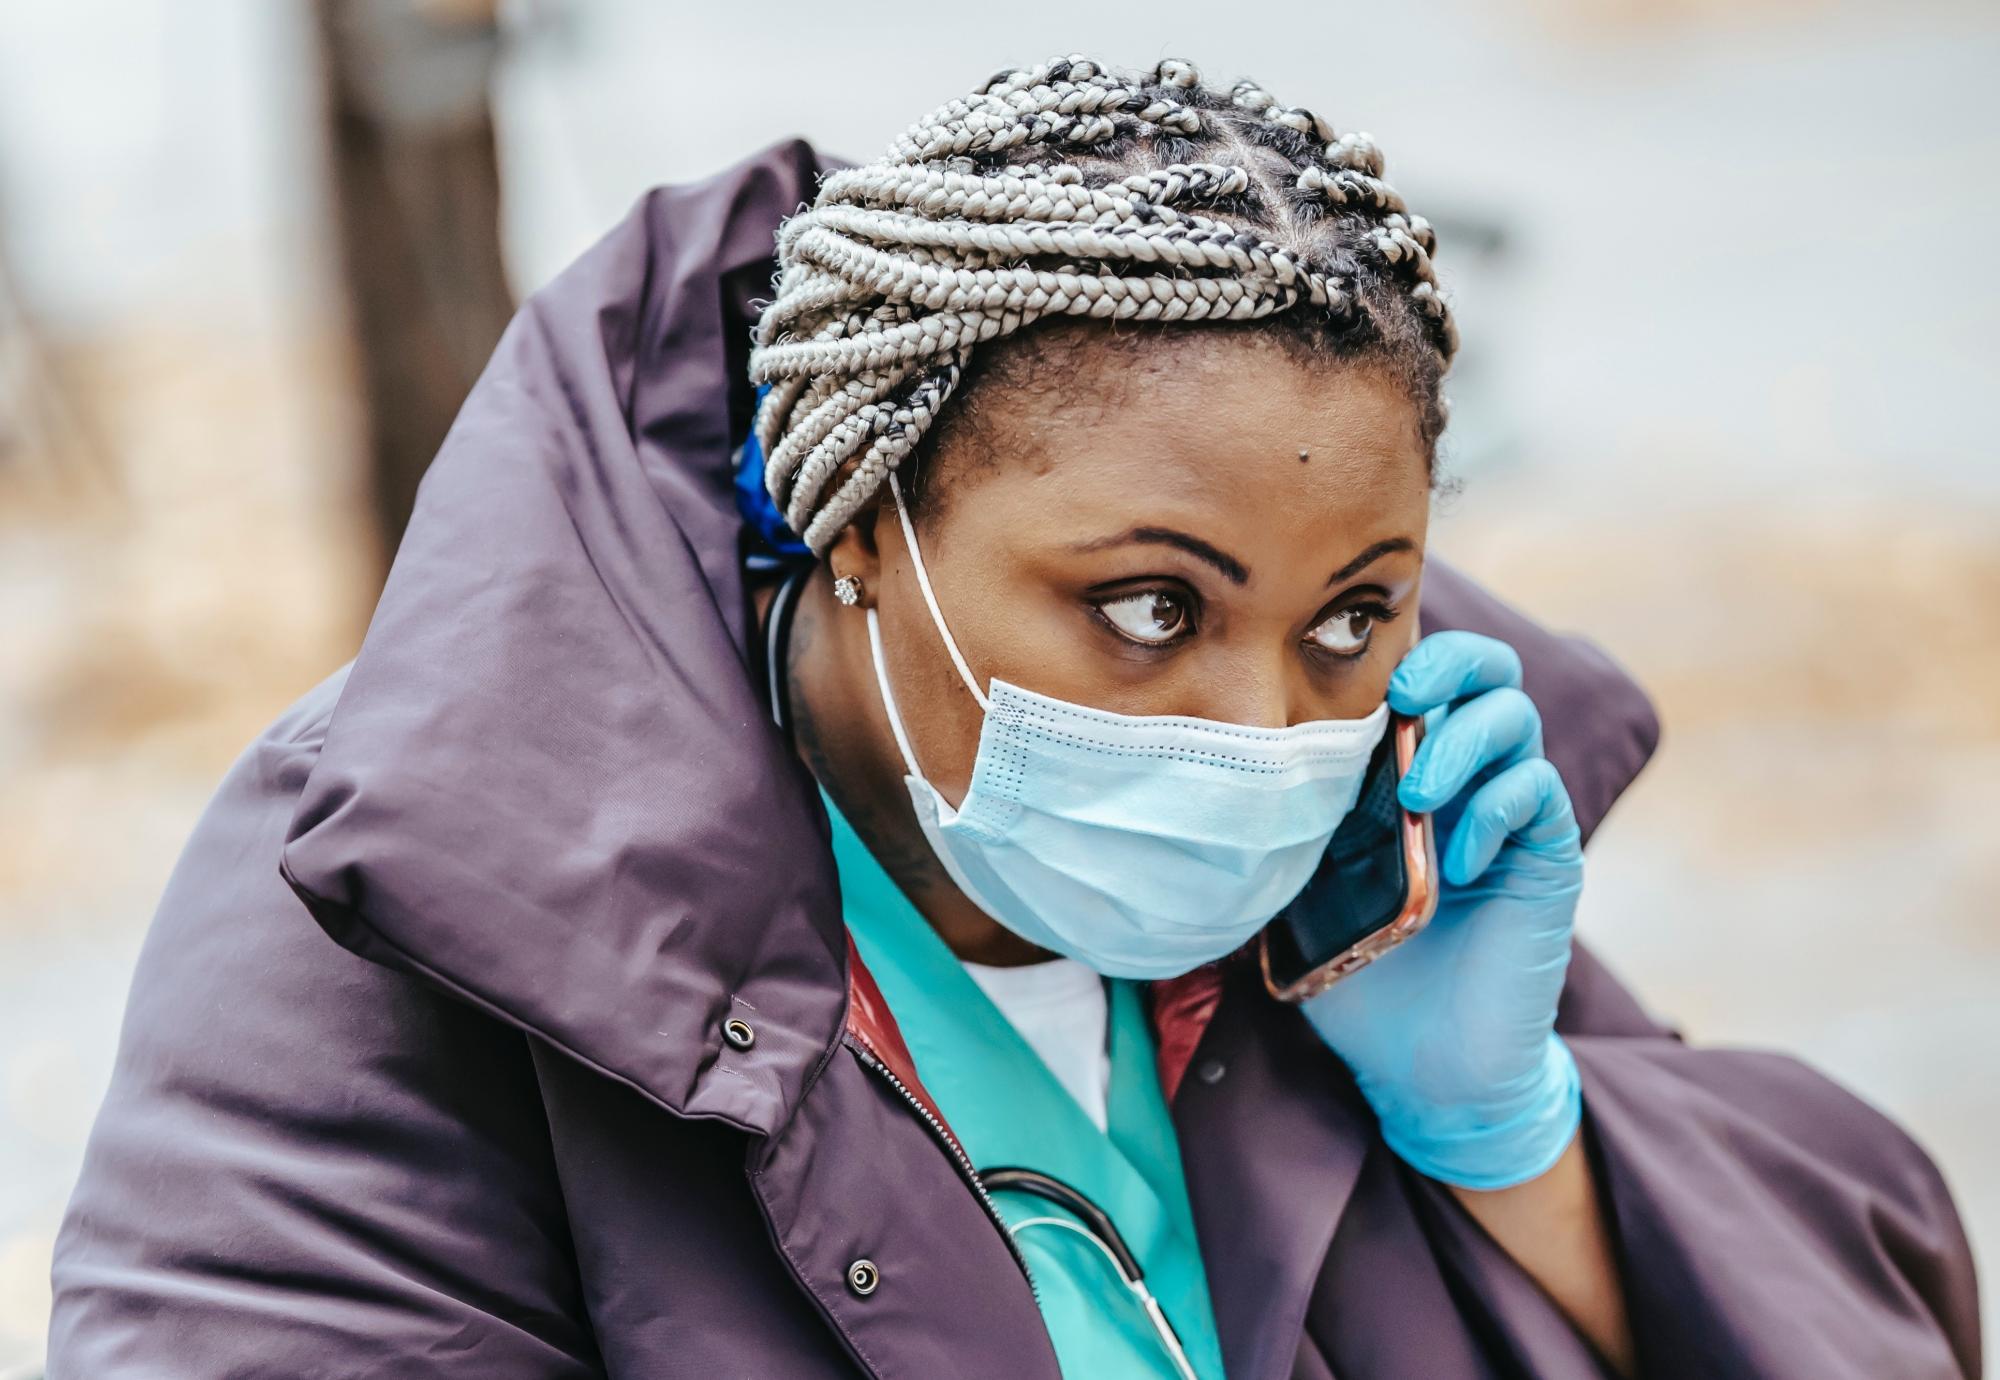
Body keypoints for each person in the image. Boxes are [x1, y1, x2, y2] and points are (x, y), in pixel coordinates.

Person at [48, 57, 1978, 1379]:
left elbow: (1870, 1311)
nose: (1258, 726)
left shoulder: (1392, 873)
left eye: (1352, 615)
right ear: (857, 521)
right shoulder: (394, 916)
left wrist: (1513, 1138)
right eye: (1148, 609)